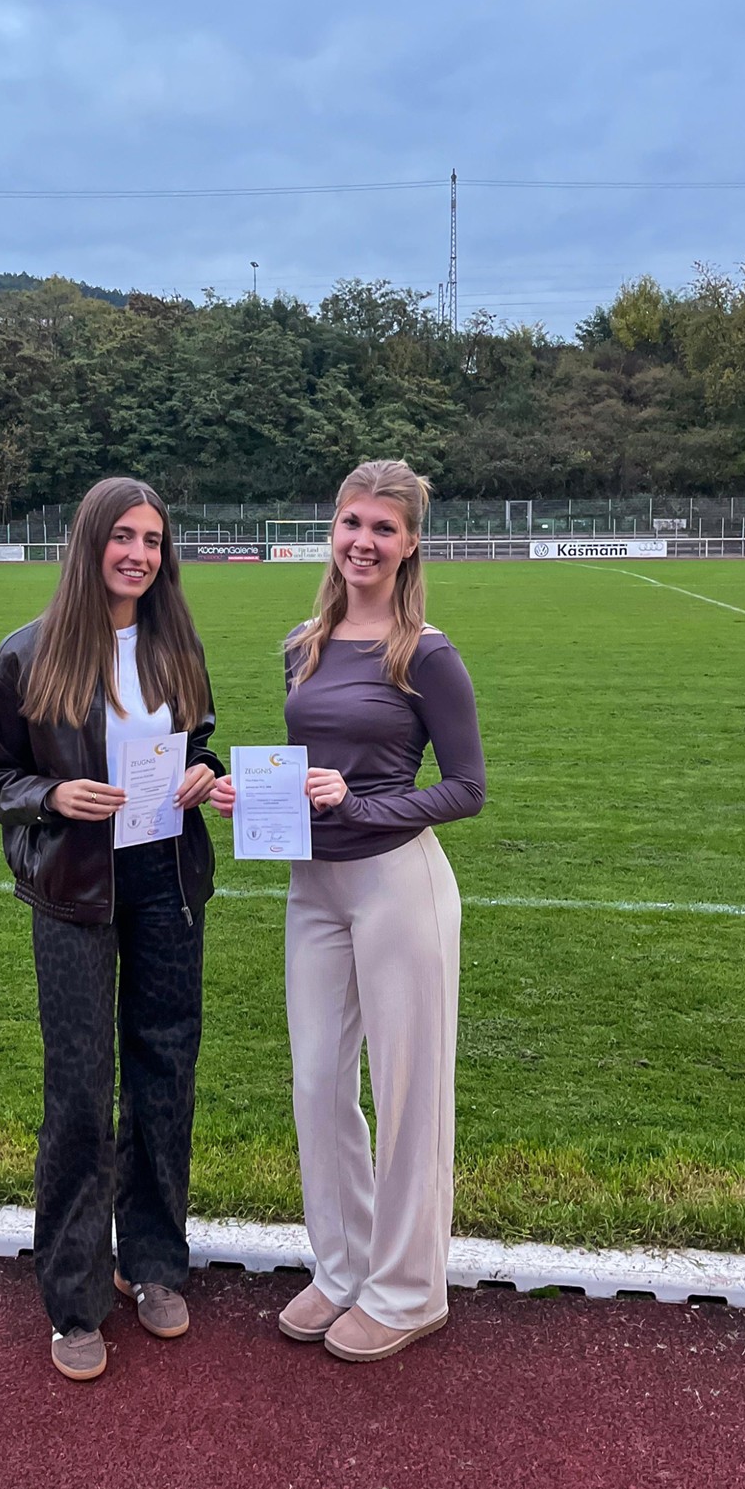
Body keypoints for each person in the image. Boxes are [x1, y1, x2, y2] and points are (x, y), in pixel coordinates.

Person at [212, 459, 485, 1363]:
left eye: (383, 529)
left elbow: (467, 789)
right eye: (351, 524)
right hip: (314, 884)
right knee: (318, 1084)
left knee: (408, 1094)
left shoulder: (427, 653)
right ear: (332, 530)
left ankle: (408, 1291)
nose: (363, 542)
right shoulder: (304, 642)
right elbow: (303, 769)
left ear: (410, 545)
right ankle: (342, 1268)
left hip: (398, 883)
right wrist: (251, 799)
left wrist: (361, 804)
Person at [0, 477, 223, 1383]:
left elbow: (199, 744)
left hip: (166, 881)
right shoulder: (27, 654)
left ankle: (151, 1262)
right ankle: (73, 1297)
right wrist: (52, 794)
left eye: (153, 540)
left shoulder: (176, 644)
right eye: (123, 537)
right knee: (78, 1088)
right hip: (76, 888)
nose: (139, 555)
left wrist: (204, 774)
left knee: (165, 1071)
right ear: (90, 543)